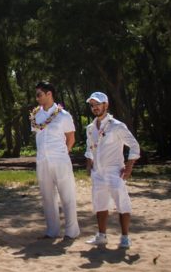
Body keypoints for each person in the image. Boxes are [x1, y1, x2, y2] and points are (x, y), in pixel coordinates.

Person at [83, 91, 141, 249]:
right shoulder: (90, 127)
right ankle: (101, 235)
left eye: (98, 104)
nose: (95, 107)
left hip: (115, 171)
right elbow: (90, 147)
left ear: (106, 105)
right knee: (100, 204)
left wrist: (129, 166)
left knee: (122, 203)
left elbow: (134, 145)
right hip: (98, 172)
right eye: (92, 105)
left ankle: (125, 237)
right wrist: (89, 164)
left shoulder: (117, 126)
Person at [31, 80, 80, 240]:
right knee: (47, 196)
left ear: (49, 94)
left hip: (60, 160)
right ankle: (52, 231)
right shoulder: (36, 115)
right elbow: (37, 134)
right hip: (42, 160)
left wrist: (63, 153)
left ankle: (72, 231)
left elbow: (71, 138)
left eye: (39, 94)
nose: (37, 98)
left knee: (67, 195)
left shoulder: (63, 115)